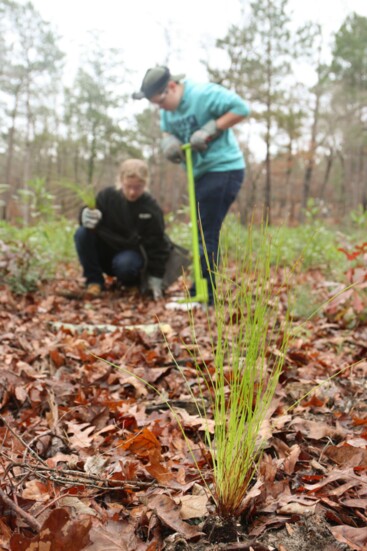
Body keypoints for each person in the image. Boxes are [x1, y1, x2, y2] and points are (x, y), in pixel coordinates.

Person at [132, 66, 250, 305]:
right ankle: (201, 288)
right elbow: (167, 129)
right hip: (199, 173)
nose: (160, 108)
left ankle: (207, 296)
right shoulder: (168, 110)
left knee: (206, 231)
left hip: (223, 168)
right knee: (200, 230)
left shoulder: (203, 94)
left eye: (161, 102)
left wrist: (212, 128)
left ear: (172, 87)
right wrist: (169, 142)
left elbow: (241, 109)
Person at [74, 158, 171, 300]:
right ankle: (94, 281)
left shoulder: (150, 208)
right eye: (128, 186)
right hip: (104, 252)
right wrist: (85, 215)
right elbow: (89, 218)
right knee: (82, 233)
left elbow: (158, 244)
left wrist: (155, 278)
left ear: (145, 184)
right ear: (120, 181)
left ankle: (130, 282)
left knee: (126, 264)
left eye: (138, 187)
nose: (132, 192)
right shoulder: (107, 197)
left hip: (129, 257)